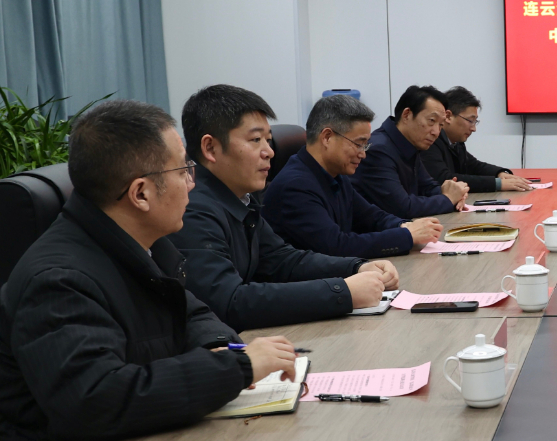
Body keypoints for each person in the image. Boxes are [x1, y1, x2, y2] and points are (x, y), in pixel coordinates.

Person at [0, 100, 298, 441]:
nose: (192, 182)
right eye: (183, 170)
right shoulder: (59, 282)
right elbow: (97, 400)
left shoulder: (143, 242)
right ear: (140, 193)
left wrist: (218, 346)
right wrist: (237, 366)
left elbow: (192, 311)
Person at [169, 85, 400, 332]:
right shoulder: (192, 209)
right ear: (210, 148)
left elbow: (283, 260)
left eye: (268, 140)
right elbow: (229, 303)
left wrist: (356, 267)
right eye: (255, 140)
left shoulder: (240, 199)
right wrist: (343, 292)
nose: (269, 152)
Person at [263, 95, 441, 259]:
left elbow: (372, 217)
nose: (363, 154)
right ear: (327, 137)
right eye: (358, 144)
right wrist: (407, 236)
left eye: (365, 145)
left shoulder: (335, 175)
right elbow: (337, 246)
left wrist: (405, 226)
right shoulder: (295, 186)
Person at [353, 85, 469, 217]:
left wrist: (454, 193)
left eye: (441, 125)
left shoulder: (409, 143)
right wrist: (448, 199)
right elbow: (402, 207)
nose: (436, 132)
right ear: (407, 115)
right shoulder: (378, 150)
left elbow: (428, 187)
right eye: (431, 121)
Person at [421, 86, 531, 194]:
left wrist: (500, 173)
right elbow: (444, 179)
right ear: (448, 117)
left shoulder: (456, 143)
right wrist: (497, 183)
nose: (474, 129)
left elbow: (474, 166)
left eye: (475, 122)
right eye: (470, 121)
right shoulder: (430, 141)